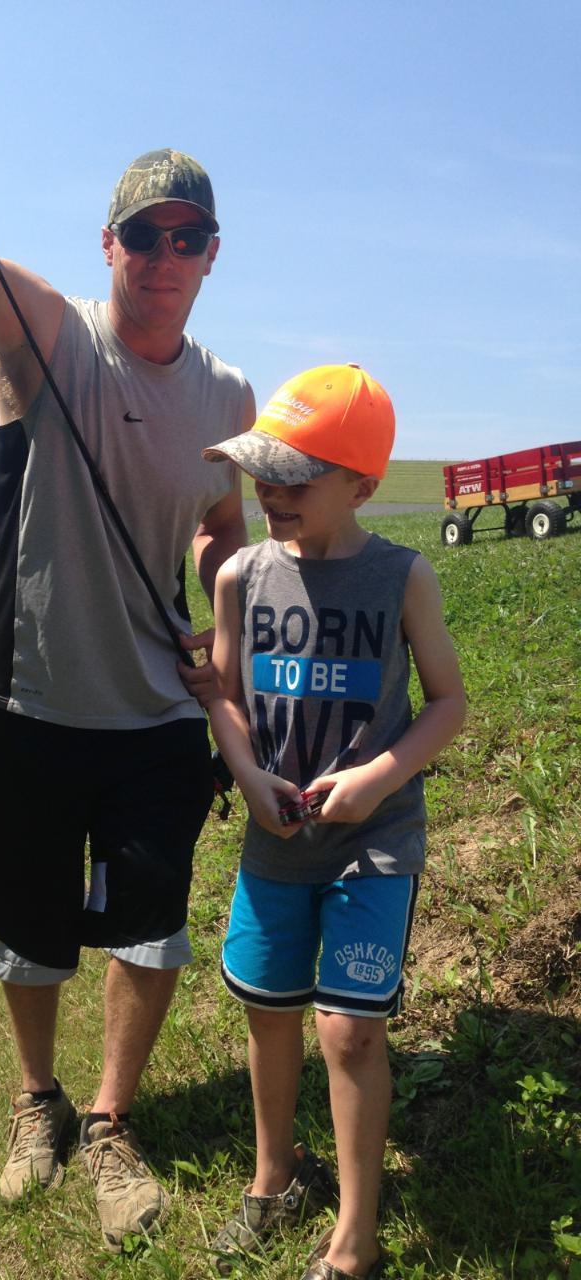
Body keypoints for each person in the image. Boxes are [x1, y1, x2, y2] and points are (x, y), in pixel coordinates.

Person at [0, 0, 255, 1252]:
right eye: (147, 231)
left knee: (154, 923)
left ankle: (114, 1117)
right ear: (112, 243)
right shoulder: (43, 336)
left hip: (149, 712)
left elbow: (216, 523)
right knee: (22, 924)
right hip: (19, 703)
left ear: (211, 253)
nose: (167, 252)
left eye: (190, 235)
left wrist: (220, 602)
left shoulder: (229, 394)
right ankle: (38, 1101)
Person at [201, 364, 466, 1279]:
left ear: (360, 484)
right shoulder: (240, 575)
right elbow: (228, 698)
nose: (269, 490)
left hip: (374, 838)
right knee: (269, 1012)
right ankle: (275, 1180)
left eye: (294, 473)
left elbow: (447, 706)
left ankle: (354, 1240)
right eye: (260, 471)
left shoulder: (403, 577)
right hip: (275, 838)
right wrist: (245, 774)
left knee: (348, 1031)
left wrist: (375, 777)